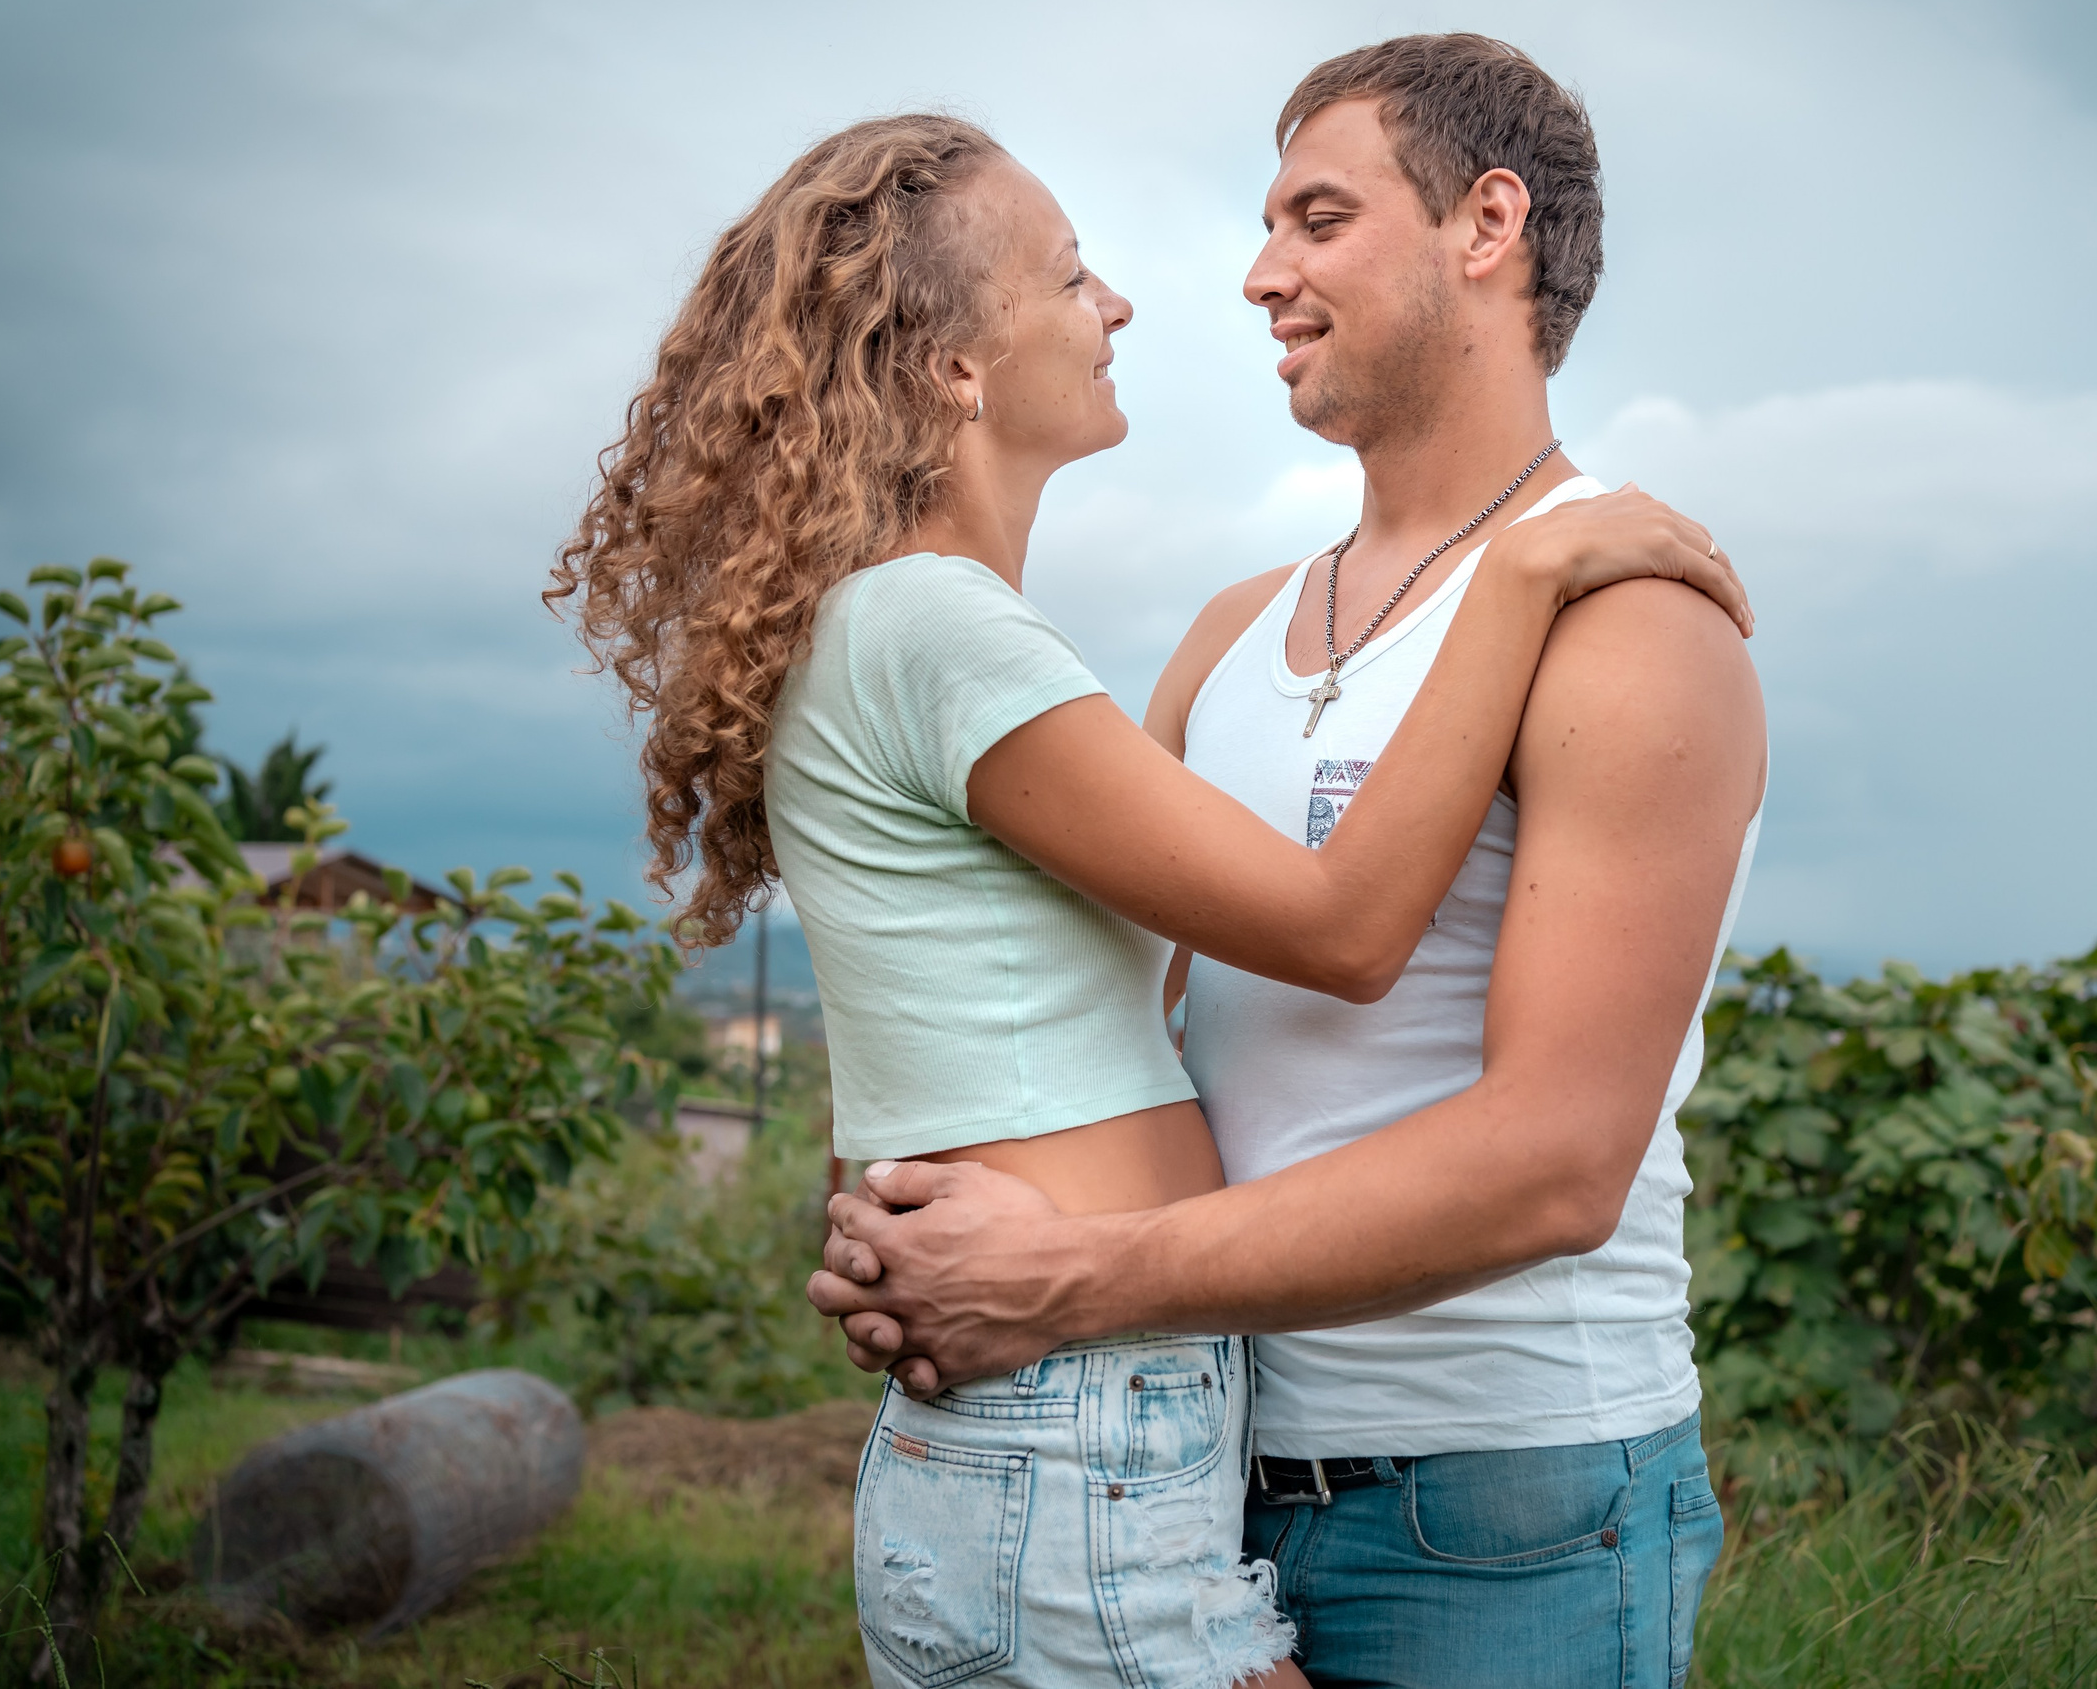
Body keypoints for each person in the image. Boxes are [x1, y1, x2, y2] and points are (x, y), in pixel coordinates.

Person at [545, 111, 1747, 1689]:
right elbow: (1319, 936)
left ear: (1488, 224)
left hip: (1474, 1491)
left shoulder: (1634, 622)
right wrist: (1512, 580)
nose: (1245, 278)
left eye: (1318, 218)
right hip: (1132, 1429)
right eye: (1075, 275)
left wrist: (932, 1242)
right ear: (957, 365)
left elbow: (1074, 1005)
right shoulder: (1176, 635)